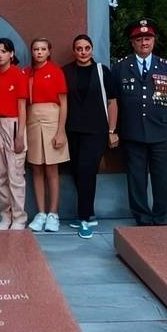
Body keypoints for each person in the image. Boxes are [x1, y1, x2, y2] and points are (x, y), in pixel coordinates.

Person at [112, 18, 167, 226]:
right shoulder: (121, 67)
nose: (144, 43)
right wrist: (114, 130)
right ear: (132, 42)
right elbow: (114, 101)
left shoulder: (166, 67)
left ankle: (162, 217)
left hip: (161, 131)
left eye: (148, 38)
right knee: (136, 178)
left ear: (153, 40)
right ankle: (142, 217)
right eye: (139, 39)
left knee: (163, 178)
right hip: (132, 132)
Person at [63, 34, 119, 239]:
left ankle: (85, 218)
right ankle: (88, 212)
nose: (83, 52)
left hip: (96, 131)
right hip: (72, 130)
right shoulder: (66, 72)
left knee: (87, 171)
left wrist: (112, 131)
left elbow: (112, 102)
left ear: (92, 50)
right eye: (79, 48)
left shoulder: (102, 71)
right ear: (74, 50)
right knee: (77, 172)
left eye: (87, 48)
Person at [25, 38, 69, 233]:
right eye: (36, 49)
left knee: (52, 168)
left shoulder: (56, 72)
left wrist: (61, 131)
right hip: (32, 121)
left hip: (52, 121)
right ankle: (41, 212)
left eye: (43, 49)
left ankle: (53, 213)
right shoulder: (27, 73)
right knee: (36, 168)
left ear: (49, 52)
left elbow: (63, 103)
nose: (39, 52)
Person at [0, 38, 28, 231]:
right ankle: (5, 214)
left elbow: (22, 106)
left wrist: (20, 135)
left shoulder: (19, 75)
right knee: (0, 174)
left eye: (4, 51)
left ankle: (19, 217)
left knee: (15, 174)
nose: (0, 55)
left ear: (11, 54)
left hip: (13, 124)